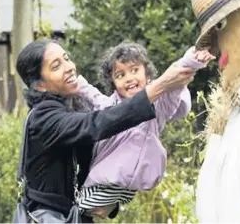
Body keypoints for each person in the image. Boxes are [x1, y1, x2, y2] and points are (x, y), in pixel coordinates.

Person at [15, 39, 197, 223]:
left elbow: (100, 158)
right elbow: (96, 124)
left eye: (66, 58)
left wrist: (110, 200)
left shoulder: (75, 104)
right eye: (56, 66)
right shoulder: (43, 118)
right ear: (40, 85)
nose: (69, 67)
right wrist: (159, 87)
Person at [74, 42, 215, 218]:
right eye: (120, 75)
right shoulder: (112, 105)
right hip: (104, 179)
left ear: (147, 74)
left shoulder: (158, 106)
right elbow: (93, 96)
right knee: (82, 210)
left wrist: (192, 60)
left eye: (134, 70)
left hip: (133, 182)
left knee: (96, 211)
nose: (129, 78)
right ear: (113, 83)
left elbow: (173, 84)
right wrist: (77, 83)